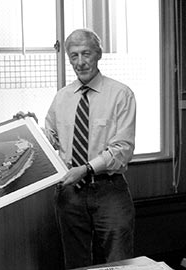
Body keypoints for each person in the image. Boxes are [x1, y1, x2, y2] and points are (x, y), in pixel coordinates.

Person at [38, 29, 137, 268]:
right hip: (69, 193)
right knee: (76, 262)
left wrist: (86, 169)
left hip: (109, 190)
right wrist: (29, 128)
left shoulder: (121, 94)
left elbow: (122, 149)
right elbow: (51, 142)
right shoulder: (61, 97)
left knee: (119, 261)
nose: (80, 62)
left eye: (86, 53)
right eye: (74, 56)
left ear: (99, 54)